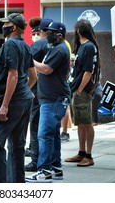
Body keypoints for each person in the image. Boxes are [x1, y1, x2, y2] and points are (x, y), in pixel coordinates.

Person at [0, 13, 37, 183]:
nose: (4, 26)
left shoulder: (9, 45)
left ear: (14, 27)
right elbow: (33, 76)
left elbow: (13, 75)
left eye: (7, 23)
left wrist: (5, 105)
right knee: (17, 146)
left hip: (13, 102)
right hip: (24, 100)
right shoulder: (25, 46)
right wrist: (26, 91)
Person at [25, 21, 71, 183]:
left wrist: (28, 59)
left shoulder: (60, 49)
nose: (46, 34)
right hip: (52, 99)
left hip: (53, 99)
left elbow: (46, 69)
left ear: (60, 35)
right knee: (52, 135)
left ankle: (44, 171)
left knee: (44, 135)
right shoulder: (55, 48)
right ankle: (55, 168)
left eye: (51, 32)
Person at [66, 19, 100, 167]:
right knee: (80, 123)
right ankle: (81, 153)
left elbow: (88, 71)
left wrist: (80, 89)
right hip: (77, 89)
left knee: (86, 122)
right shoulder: (83, 46)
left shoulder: (88, 47)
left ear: (79, 30)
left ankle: (89, 155)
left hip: (82, 90)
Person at [24, 17, 50, 172]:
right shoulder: (61, 45)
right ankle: (49, 160)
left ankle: (36, 160)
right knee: (48, 130)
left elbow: (26, 64)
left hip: (38, 91)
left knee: (35, 127)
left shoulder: (39, 45)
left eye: (36, 31)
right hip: (51, 92)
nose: (34, 34)